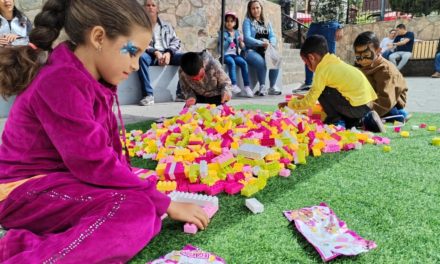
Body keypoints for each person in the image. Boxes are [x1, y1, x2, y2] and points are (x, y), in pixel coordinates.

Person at [0, 0, 209, 262]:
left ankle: (21, 243)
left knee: (145, 207)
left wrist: (148, 195)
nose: (135, 65)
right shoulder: (61, 81)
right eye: (132, 51)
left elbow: (104, 153)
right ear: (98, 37)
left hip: (60, 180)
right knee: (136, 212)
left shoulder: (89, 78)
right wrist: (167, 204)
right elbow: (93, 162)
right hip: (23, 193)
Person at [278, 35, 385, 133]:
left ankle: (336, 122)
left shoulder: (322, 70)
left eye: (306, 63)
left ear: (312, 58)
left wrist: (289, 104)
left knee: (324, 90)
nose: (307, 67)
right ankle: (366, 119)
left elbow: (309, 102)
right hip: (365, 106)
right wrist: (305, 97)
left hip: (355, 108)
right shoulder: (333, 62)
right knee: (326, 91)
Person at [354, 31, 409, 123]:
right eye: (358, 56)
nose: (362, 60)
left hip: (392, 101)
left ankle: (398, 114)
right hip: (371, 98)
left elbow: (386, 100)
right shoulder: (360, 64)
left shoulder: (385, 70)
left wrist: (364, 113)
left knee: (370, 116)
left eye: (366, 55)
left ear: (378, 51)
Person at [138, 0, 185, 105]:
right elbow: (139, 42)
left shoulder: (167, 26)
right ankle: (148, 95)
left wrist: (168, 53)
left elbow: (176, 41)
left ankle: (180, 93)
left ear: (157, 8)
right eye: (148, 5)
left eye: (153, 5)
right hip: (151, 55)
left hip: (167, 54)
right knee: (141, 57)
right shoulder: (140, 26)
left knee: (186, 58)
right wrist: (155, 52)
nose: (150, 7)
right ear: (144, 8)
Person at [299, 0, 348, 92]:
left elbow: (343, 5)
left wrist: (340, 26)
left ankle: (331, 84)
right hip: (315, 24)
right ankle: (308, 82)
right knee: (307, 51)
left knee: (329, 55)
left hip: (329, 23)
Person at [242, 0, 282, 96]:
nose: (256, 10)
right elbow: (247, 38)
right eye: (253, 8)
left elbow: (272, 36)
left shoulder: (267, 22)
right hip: (250, 51)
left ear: (261, 8)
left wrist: (270, 42)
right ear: (250, 10)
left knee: (276, 58)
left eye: (257, 8)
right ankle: (262, 87)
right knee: (261, 62)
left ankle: (272, 87)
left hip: (265, 49)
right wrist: (262, 43)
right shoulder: (247, 21)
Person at [219, 11, 253, 98]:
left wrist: (241, 42)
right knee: (231, 63)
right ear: (224, 22)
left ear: (235, 22)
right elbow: (221, 48)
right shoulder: (222, 33)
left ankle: (247, 86)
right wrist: (228, 41)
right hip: (225, 55)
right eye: (227, 21)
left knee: (243, 63)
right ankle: (233, 84)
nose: (229, 23)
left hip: (235, 55)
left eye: (231, 21)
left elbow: (243, 48)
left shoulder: (237, 32)